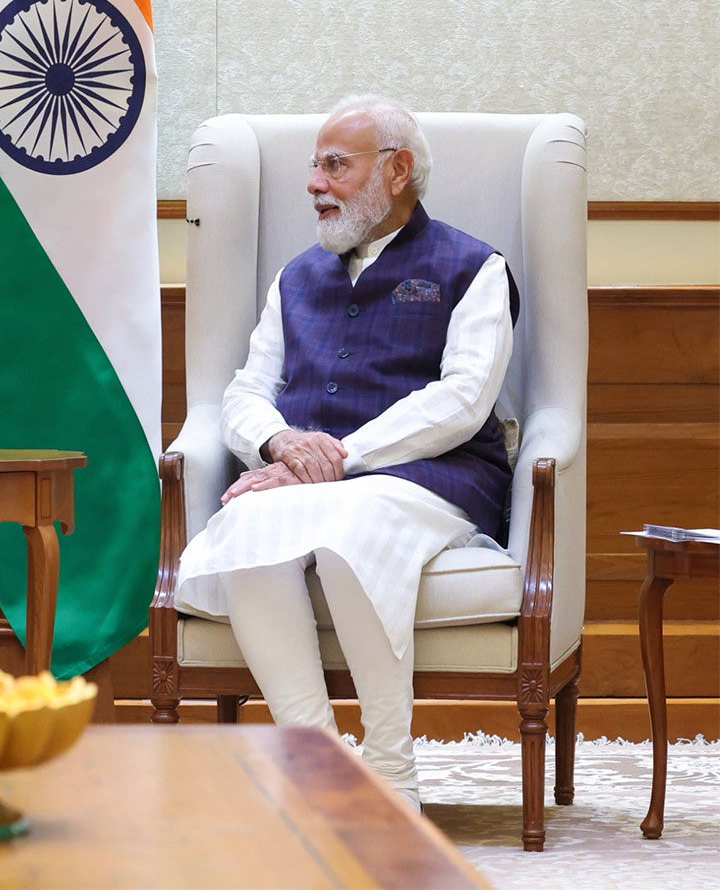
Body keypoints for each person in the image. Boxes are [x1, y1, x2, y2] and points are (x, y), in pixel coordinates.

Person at [175, 95, 517, 810]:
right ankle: (317, 764)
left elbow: (463, 401)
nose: (314, 184)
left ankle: (394, 772)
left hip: (437, 477)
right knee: (244, 530)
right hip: (305, 480)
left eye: (336, 165)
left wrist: (343, 456)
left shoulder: (473, 267)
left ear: (396, 171)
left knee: (347, 529)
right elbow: (245, 390)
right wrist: (279, 441)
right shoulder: (295, 277)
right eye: (313, 167)